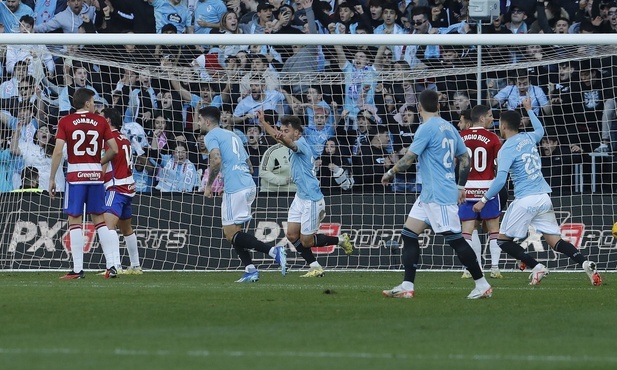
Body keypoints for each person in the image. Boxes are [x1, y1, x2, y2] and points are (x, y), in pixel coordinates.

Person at [473, 97, 602, 287]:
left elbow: (500, 180)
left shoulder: (506, 148)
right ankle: (584, 263)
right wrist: (530, 109)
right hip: (543, 197)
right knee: (555, 241)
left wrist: (483, 199)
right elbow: (540, 131)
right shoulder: (528, 137)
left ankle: (537, 266)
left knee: (502, 240)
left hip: (526, 199)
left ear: (503, 125)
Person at [381, 90, 492, 299]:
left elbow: (408, 159)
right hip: (430, 194)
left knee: (455, 239)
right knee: (409, 233)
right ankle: (407, 285)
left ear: (420, 108)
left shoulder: (426, 129)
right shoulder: (450, 128)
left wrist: (390, 172)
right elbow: (465, 158)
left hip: (438, 195)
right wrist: (460, 186)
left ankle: (482, 283)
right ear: (438, 107)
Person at [258, 112, 353, 278]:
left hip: (312, 199)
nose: (283, 132)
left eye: (286, 130)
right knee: (291, 235)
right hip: (300, 197)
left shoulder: (300, 144)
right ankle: (315, 266)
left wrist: (277, 133)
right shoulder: (290, 141)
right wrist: (263, 122)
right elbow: (281, 139)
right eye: (282, 129)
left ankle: (340, 240)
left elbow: (285, 141)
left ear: (297, 133)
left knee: (306, 241)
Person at [197, 106, 286, 282]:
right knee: (235, 232)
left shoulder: (211, 136)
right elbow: (248, 164)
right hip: (247, 184)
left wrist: (209, 186)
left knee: (230, 234)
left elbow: (216, 160)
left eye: (199, 119)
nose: (198, 123)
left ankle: (273, 251)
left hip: (236, 187)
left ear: (207, 121)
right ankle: (250, 269)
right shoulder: (233, 135)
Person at [49, 88, 119, 279]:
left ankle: (78, 269)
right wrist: (99, 163)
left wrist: (52, 178)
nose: (95, 105)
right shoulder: (101, 121)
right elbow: (114, 149)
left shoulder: (65, 121)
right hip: (96, 177)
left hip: (76, 177)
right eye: (94, 101)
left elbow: (57, 152)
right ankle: (111, 266)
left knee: (74, 220)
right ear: (87, 103)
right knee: (99, 220)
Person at [458, 105, 503, 279]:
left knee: (468, 230)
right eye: (490, 116)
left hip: (466, 188)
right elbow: (500, 164)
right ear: (482, 118)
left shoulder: (461, 136)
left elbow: (456, 162)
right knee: (493, 229)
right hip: (488, 188)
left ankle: (469, 268)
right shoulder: (492, 138)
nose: (492, 119)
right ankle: (495, 268)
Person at [101, 107, 142, 275]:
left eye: (101, 117)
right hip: (128, 187)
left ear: (108, 121)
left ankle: (115, 266)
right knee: (126, 229)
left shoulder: (108, 139)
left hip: (115, 187)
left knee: (107, 226)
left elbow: (104, 165)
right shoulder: (124, 138)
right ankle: (135, 266)